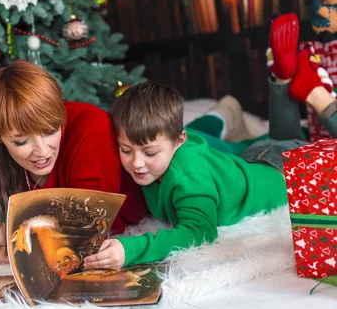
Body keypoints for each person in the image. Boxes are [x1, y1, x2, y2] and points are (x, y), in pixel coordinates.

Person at [83, 13, 337, 270]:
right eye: (126, 150)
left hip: (287, 173)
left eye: (149, 152)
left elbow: (200, 232)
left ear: (180, 140)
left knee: (290, 142)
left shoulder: (188, 177)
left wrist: (132, 248)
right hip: (254, 157)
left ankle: (316, 95)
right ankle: (283, 80)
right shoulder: (163, 155)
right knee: (282, 138)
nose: (136, 162)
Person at [0, 60, 149, 283]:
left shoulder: (92, 128)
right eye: (21, 141)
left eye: (51, 130)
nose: (42, 151)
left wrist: (1, 250)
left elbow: (88, 233)